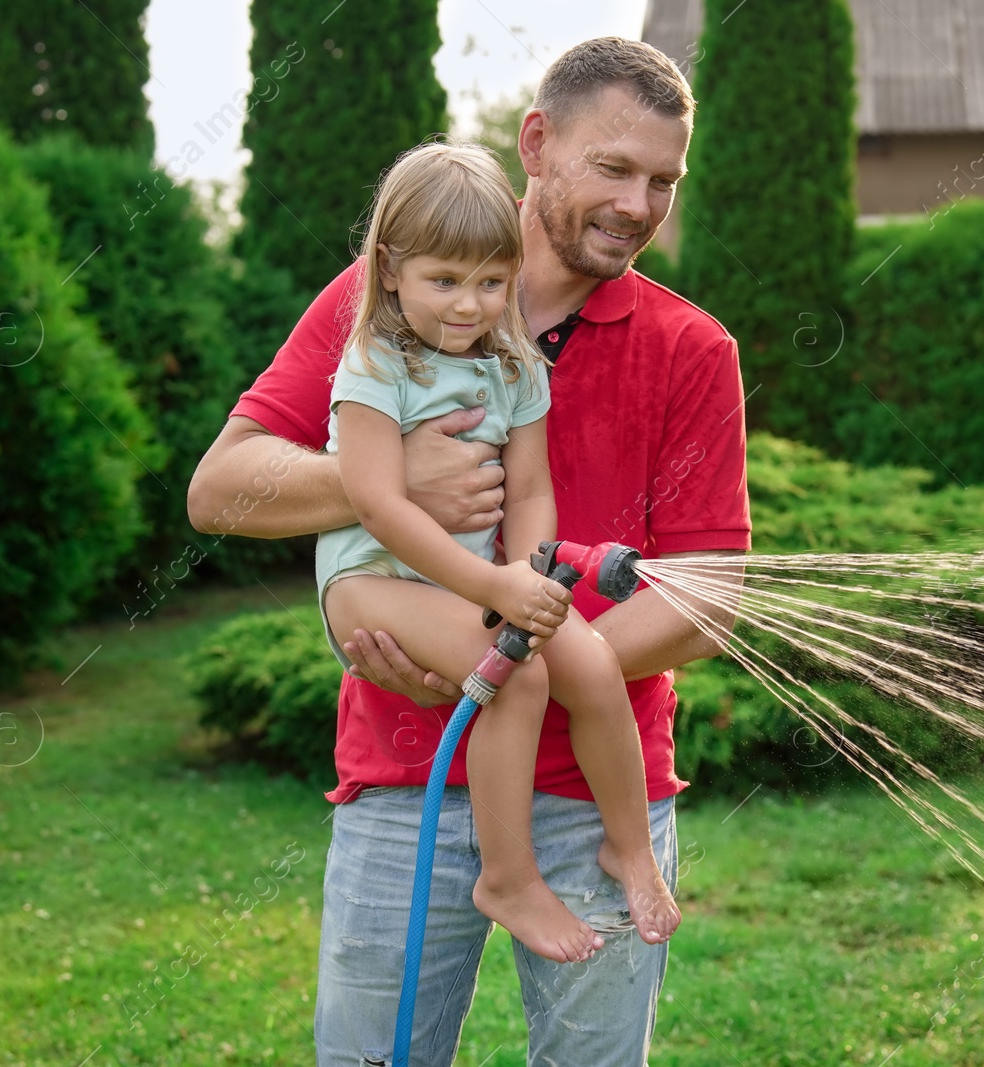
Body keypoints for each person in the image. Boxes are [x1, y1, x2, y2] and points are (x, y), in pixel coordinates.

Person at [189, 37, 749, 1067]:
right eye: (613, 168)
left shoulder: (691, 348)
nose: (638, 203)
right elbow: (218, 489)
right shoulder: (384, 301)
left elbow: (710, 591)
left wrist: (511, 655)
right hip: (405, 781)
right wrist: (390, 478)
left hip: (598, 792)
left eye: (662, 180)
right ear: (537, 143)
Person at [315, 140, 681, 964]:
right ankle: (507, 877)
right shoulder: (375, 365)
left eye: (490, 281)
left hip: (478, 573)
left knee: (587, 661)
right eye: (445, 281)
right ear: (391, 269)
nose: (469, 305)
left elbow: (531, 490)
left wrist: (524, 570)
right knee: (516, 673)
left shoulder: (513, 364)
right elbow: (376, 503)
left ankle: (628, 845)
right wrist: (493, 585)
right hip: (373, 578)